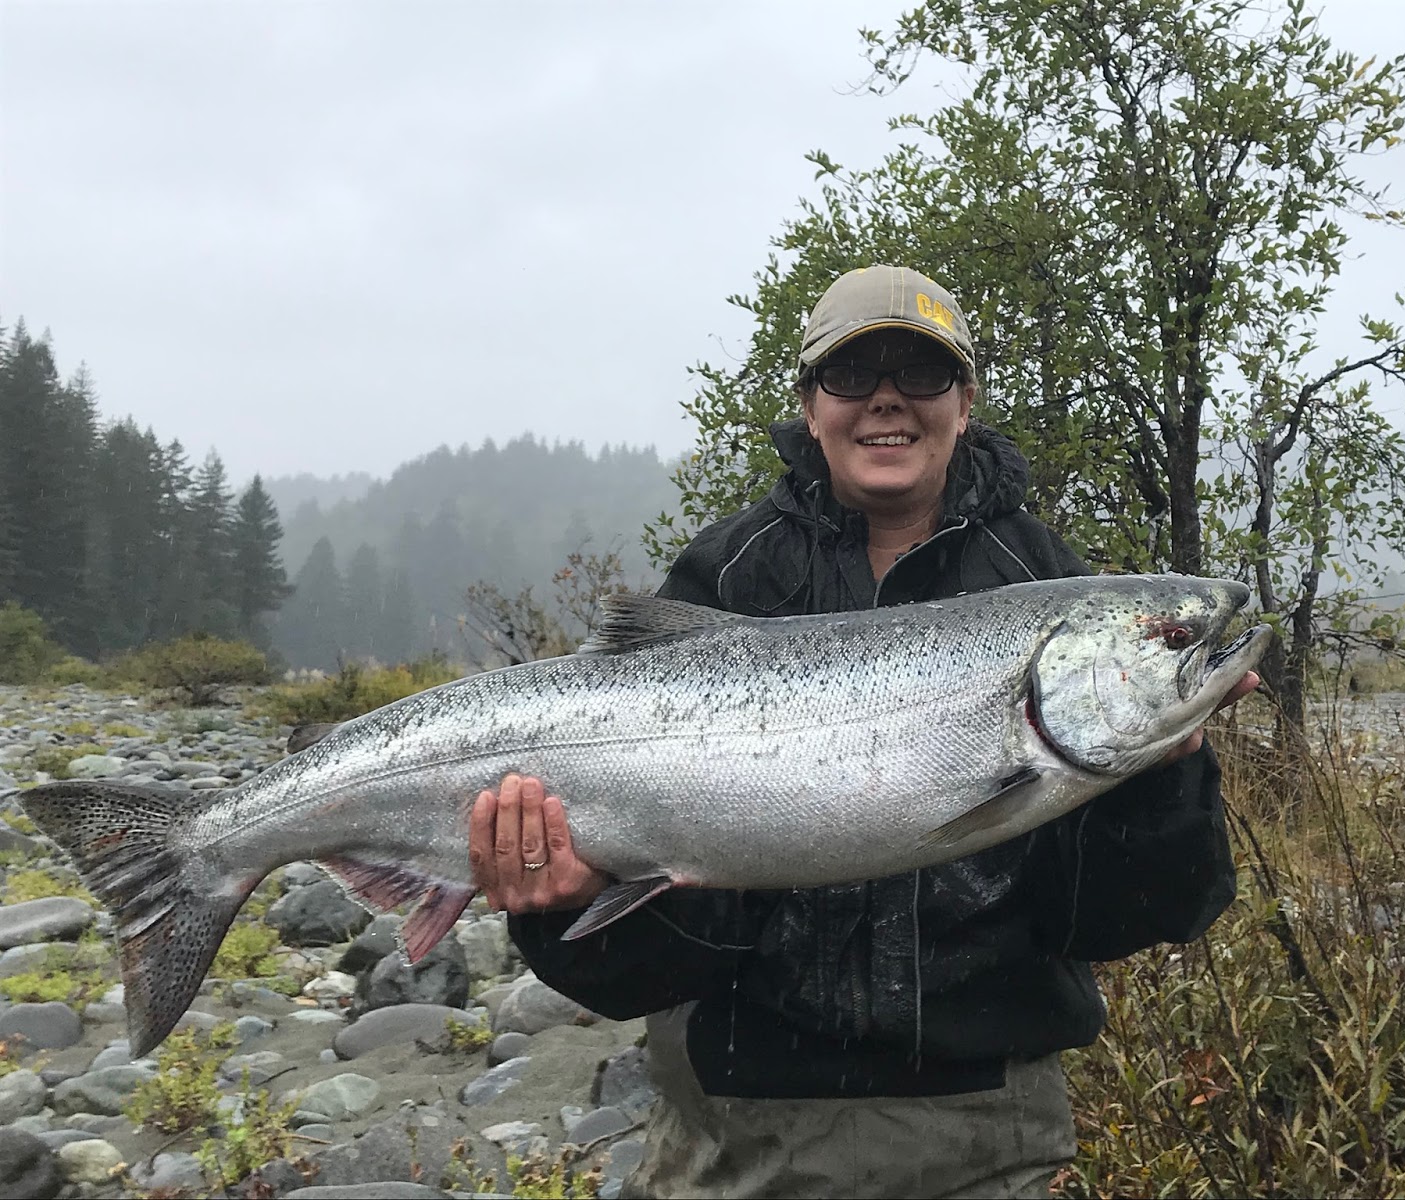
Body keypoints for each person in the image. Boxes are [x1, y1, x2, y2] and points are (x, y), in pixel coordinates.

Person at [467, 264, 1257, 1198]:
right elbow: (636, 973)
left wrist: (1165, 778)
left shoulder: (1043, 578)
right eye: (852, 376)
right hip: (738, 1137)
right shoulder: (727, 576)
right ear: (811, 407)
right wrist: (560, 902)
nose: (887, 399)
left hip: (987, 1139)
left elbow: (1138, 915)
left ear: (964, 403)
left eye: (920, 375)